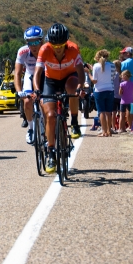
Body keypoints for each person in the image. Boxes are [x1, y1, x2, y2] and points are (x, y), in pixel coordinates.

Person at [33, 23, 85, 174]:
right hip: (51, 81)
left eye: (61, 45)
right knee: (50, 115)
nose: (58, 48)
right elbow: (37, 73)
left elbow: (80, 71)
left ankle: (74, 122)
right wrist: (37, 89)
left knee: (73, 88)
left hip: (69, 77)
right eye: (55, 45)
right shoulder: (44, 49)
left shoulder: (73, 49)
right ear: (50, 42)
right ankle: (51, 153)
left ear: (66, 42)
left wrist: (81, 86)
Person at [14, 25, 45, 144]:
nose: (33, 45)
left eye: (36, 41)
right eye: (29, 42)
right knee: (27, 101)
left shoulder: (47, 50)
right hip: (29, 76)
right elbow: (17, 73)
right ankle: (31, 128)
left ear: (41, 41)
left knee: (45, 102)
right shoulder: (23, 51)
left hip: (44, 75)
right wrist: (19, 91)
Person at [87, 49, 115, 137]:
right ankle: (109, 130)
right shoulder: (112, 65)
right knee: (108, 112)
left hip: (99, 91)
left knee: (101, 112)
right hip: (110, 90)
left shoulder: (96, 66)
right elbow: (112, 77)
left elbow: (94, 81)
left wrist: (88, 73)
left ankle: (104, 131)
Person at [112, 60, 122, 133]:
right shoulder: (121, 75)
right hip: (120, 96)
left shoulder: (113, 75)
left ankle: (113, 127)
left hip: (113, 95)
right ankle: (120, 127)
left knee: (113, 112)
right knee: (121, 112)